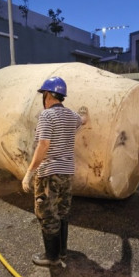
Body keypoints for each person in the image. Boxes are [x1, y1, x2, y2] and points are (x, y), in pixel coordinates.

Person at [22, 77, 85, 267]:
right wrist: (84, 113)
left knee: (47, 214)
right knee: (62, 211)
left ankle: (52, 257)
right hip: (66, 174)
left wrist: (29, 173)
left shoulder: (46, 116)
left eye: (43, 95)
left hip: (49, 174)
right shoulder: (72, 116)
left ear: (48, 95)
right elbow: (83, 120)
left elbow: (43, 145)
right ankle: (62, 252)